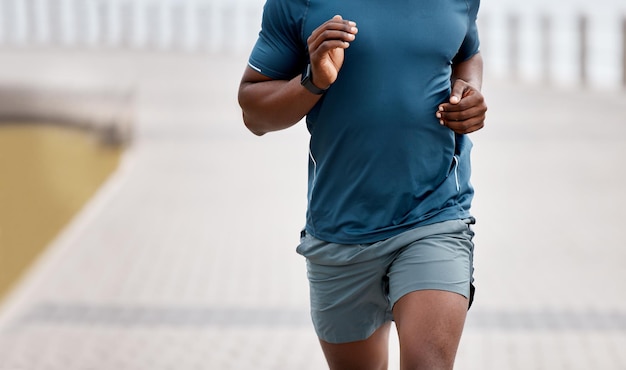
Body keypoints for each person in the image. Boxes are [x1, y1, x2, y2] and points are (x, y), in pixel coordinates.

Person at [238, 0, 487, 368]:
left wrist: (469, 90)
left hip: (435, 215)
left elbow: (468, 52)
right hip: (341, 231)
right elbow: (253, 111)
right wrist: (313, 81)